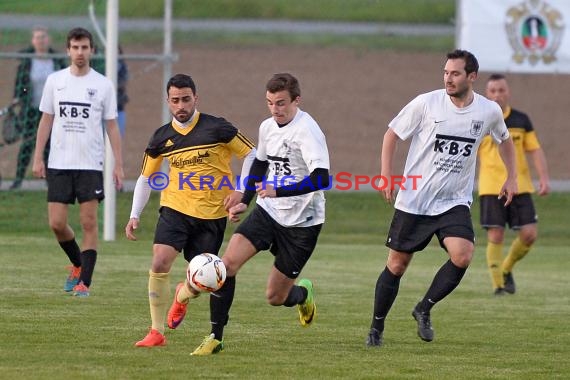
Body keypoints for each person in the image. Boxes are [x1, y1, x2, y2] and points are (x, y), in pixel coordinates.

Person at [365, 50, 518, 347]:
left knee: (462, 255)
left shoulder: (488, 111)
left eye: (455, 73)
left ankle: (424, 308)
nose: (448, 78)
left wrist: (511, 177)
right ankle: (376, 327)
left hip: (454, 201)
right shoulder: (426, 103)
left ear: (471, 77)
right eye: (446, 72)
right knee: (397, 265)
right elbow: (391, 135)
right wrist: (386, 174)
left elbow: (505, 141)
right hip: (415, 200)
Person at [182, 72, 331, 356]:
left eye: (281, 103)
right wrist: (244, 200)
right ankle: (215, 336)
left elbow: (322, 178)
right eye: (270, 103)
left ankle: (302, 294)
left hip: (303, 223)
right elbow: (261, 165)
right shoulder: (267, 127)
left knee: (275, 297)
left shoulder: (308, 131)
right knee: (225, 267)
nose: (275, 109)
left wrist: (279, 191)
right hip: (267, 213)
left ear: (297, 101)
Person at [125, 73, 256, 347]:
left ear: (196, 98)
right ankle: (156, 332)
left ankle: (182, 296)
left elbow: (251, 154)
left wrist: (242, 192)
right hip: (175, 208)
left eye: (186, 99)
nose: (181, 105)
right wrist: (134, 214)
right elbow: (146, 177)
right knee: (160, 260)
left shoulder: (218, 128)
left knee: (204, 280)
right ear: (168, 101)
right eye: (175, 100)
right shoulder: (161, 137)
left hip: (212, 214)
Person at [32, 27, 124, 297]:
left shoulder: (103, 85)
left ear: (92, 50)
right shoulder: (55, 81)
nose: (80, 52)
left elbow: (112, 126)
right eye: (75, 47)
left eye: (84, 47)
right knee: (57, 223)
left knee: (88, 223)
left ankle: (85, 281)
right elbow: (46, 120)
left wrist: (118, 164)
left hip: (90, 165)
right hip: (60, 163)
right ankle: (76, 263)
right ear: (68, 50)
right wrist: (38, 157)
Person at [478, 73, 550, 295]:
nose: (497, 95)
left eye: (501, 90)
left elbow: (535, 150)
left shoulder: (521, 120)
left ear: (508, 92)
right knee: (496, 235)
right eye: (493, 91)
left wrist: (544, 178)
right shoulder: (479, 119)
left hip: (520, 185)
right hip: (491, 187)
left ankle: (506, 268)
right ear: (487, 94)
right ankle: (498, 285)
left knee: (529, 234)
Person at [10, 26, 67, 190]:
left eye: (43, 37)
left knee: (49, 146)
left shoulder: (56, 61)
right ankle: (18, 180)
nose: (40, 40)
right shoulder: (27, 61)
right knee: (27, 145)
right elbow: (20, 84)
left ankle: (50, 182)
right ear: (33, 41)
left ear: (48, 40)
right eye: (37, 37)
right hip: (31, 109)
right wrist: (18, 98)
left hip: (51, 111)